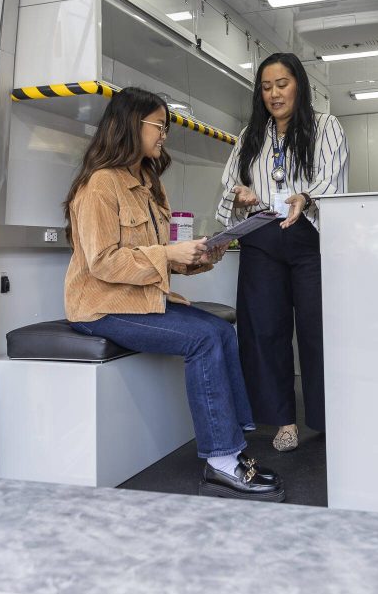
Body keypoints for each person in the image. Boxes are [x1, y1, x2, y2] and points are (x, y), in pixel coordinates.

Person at [64, 87, 284, 502]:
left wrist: (201, 255)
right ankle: (221, 463)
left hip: (136, 298)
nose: (164, 134)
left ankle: (233, 448)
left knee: (219, 329)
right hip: (98, 307)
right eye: (158, 126)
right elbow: (104, 262)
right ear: (131, 124)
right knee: (204, 338)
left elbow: (157, 257)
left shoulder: (147, 183)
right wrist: (167, 255)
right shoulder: (99, 186)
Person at [216, 53, 348, 451]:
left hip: (310, 238)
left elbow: (333, 178)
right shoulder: (249, 135)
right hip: (261, 238)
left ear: (299, 85)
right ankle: (281, 421)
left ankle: (330, 418)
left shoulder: (326, 126)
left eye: (282, 84)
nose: (274, 93)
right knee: (264, 331)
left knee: (318, 331)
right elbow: (228, 185)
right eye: (266, 86)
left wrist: (305, 197)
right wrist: (239, 194)